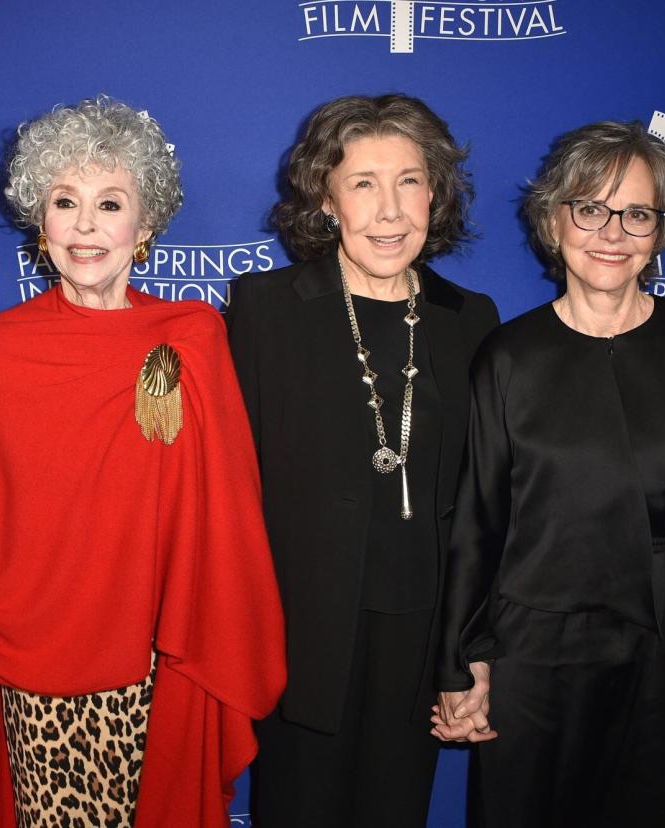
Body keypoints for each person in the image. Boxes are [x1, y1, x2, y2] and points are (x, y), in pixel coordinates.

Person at [0, 97, 286, 828]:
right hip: (26, 654)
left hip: (154, 654)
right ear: (39, 222)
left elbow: (226, 506)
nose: (85, 225)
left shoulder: (192, 336)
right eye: (64, 202)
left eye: (109, 203)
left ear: (144, 228)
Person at [432, 120, 665, 827]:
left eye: (637, 213)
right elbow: (479, 522)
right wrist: (463, 665)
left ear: (660, 230)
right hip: (535, 642)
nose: (611, 232)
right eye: (590, 208)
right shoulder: (510, 357)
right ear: (554, 221)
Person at [226, 94, 499, 826]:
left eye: (409, 181)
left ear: (435, 193)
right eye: (363, 183)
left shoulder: (471, 319)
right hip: (300, 634)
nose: (390, 210)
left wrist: (473, 652)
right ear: (325, 198)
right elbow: (226, 485)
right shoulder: (265, 309)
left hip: (422, 641)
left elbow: (487, 504)